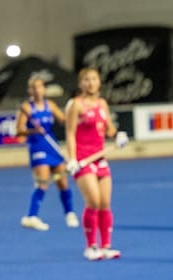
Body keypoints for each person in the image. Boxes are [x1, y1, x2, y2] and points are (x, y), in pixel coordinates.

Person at [65, 67, 128, 261]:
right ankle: (91, 246)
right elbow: (69, 133)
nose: (90, 83)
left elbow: (108, 128)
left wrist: (118, 135)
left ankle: (106, 246)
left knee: (105, 203)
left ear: (99, 82)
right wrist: (72, 158)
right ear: (80, 83)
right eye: (86, 80)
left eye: (94, 79)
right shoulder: (75, 105)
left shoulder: (102, 104)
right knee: (93, 200)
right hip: (83, 161)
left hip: (100, 159)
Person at [16, 76, 79, 231]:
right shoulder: (27, 108)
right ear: (30, 90)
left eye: (40, 87)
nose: (37, 90)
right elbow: (18, 130)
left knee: (62, 182)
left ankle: (69, 213)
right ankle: (32, 216)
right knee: (43, 182)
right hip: (37, 148)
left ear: (44, 89)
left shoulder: (50, 105)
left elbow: (64, 120)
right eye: (34, 87)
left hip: (52, 146)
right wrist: (33, 130)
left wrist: (74, 113)